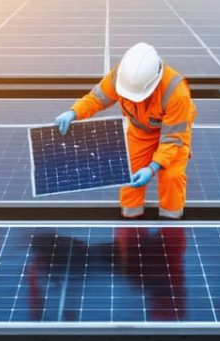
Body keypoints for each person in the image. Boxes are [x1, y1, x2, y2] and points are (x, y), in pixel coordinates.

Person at [54, 42, 197, 220]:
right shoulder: (121, 76)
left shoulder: (176, 93)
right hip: (140, 133)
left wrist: (152, 168)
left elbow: (172, 139)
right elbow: (97, 98)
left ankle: (171, 226)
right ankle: (130, 227)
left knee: (171, 177)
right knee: (130, 176)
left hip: (172, 134)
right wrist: (73, 112)